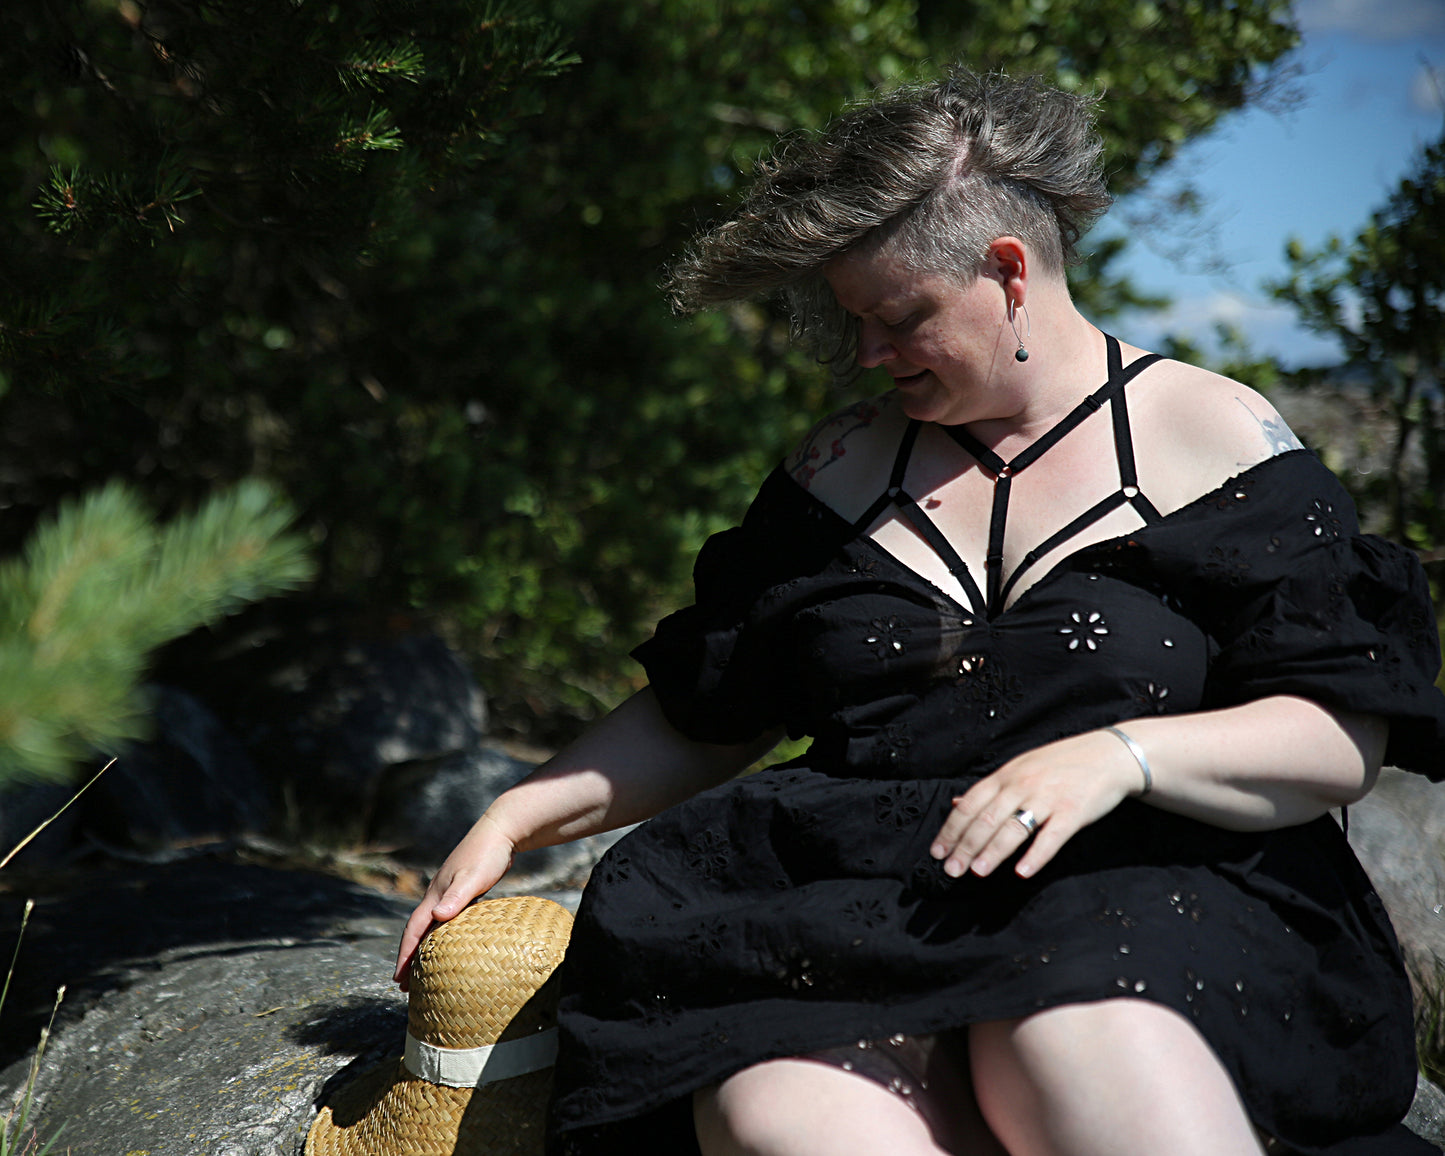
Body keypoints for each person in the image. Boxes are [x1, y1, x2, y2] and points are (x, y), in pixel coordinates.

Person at [395, 69, 1445, 1155]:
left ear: (1006, 271)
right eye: (854, 324)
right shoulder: (835, 472)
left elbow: (1335, 738)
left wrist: (1115, 757)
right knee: (780, 1117)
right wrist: (515, 815)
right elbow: (704, 709)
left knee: (1063, 1041)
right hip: (866, 912)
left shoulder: (1217, 438)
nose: (865, 356)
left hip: (1149, 892)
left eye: (897, 319)